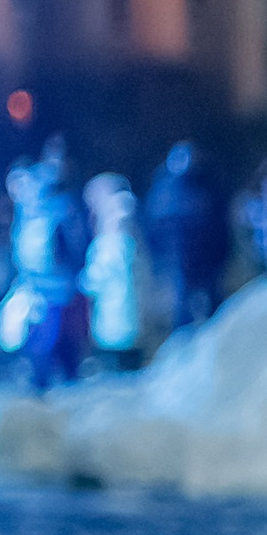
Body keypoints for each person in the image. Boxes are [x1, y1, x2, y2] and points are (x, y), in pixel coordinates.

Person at [0, 137, 91, 392]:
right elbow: (75, 241)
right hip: (56, 279)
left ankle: (45, 380)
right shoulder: (61, 200)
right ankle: (56, 381)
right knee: (55, 333)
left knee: (48, 333)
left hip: (41, 278)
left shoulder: (33, 198)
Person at [143, 142, 230, 329]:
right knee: (181, 294)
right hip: (178, 256)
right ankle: (182, 330)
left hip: (204, 254)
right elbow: (156, 226)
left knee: (209, 291)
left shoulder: (204, 184)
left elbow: (218, 219)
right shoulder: (165, 189)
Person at [81, 176, 153, 371]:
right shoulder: (130, 243)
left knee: (118, 348)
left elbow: (97, 276)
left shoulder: (110, 244)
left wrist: (87, 281)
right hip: (129, 309)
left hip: (116, 311)